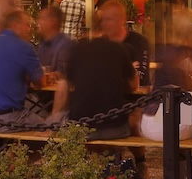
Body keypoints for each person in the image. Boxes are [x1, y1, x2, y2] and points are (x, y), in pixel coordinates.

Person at [138, 9, 192, 179]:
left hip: (147, 121)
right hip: (163, 124)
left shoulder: (165, 59)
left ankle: (186, 178)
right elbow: (187, 96)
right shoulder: (175, 67)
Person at [56, 9, 137, 142]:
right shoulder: (119, 49)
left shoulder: (76, 50)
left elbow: (65, 86)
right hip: (115, 128)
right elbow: (134, 85)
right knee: (136, 117)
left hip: (81, 128)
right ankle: (140, 161)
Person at [0, 10, 45, 131]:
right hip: (5, 119)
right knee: (48, 129)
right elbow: (40, 82)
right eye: (27, 25)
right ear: (16, 25)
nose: (29, 29)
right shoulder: (24, 47)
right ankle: (21, 150)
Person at [96, 0, 150, 86]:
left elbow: (140, 77)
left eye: (109, 20)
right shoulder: (101, 43)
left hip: (136, 98)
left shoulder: (138, 41)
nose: (105, 24)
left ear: (122, 20)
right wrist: (128, 69)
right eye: (103, 20)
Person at [36, 5, 74, 76]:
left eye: (42, 18)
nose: (38, 22)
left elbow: (63, 74)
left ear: (53, 21)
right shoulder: (43, 44)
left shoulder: (66, 45)